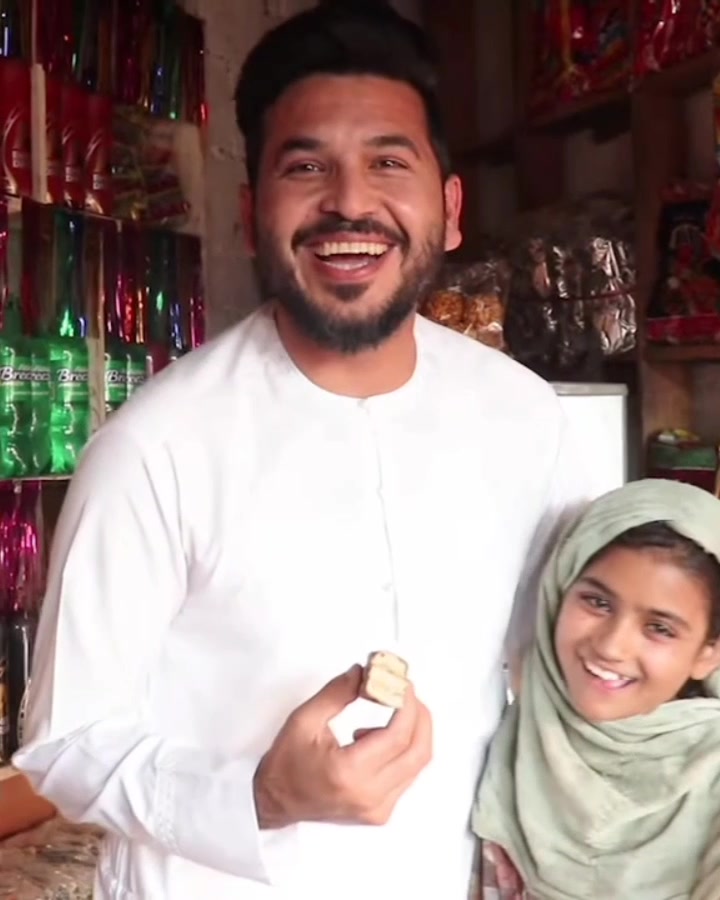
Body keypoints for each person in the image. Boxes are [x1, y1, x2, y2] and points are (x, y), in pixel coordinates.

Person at [14, 4, 591, 899]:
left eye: (388, 162)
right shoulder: (154, 448)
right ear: (252, 215)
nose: (350, 202)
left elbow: (546, 668)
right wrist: (260, 797)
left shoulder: (526, 419)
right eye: (306, 166)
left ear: (449, 208)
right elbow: (65, 745)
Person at [472, 478, 720, 900]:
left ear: (708, 654)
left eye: (659, 628)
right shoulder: (521, 735)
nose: (611, 647)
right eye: (598, 602)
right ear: (558, 592)